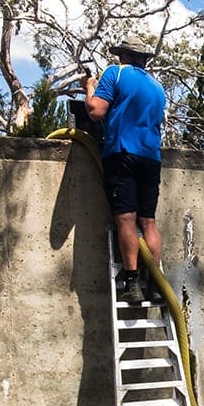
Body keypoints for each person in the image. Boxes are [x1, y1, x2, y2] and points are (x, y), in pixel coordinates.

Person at [81, 38, 166, 304]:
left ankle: (132, 283)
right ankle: (154, 284)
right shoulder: (157, 87)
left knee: (126, 220)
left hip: (123, 154)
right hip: (151, 158)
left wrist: (89, 89)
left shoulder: (114, 73)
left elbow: (96, 111)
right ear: (144, 59)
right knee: (148, 221)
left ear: (124, 56)